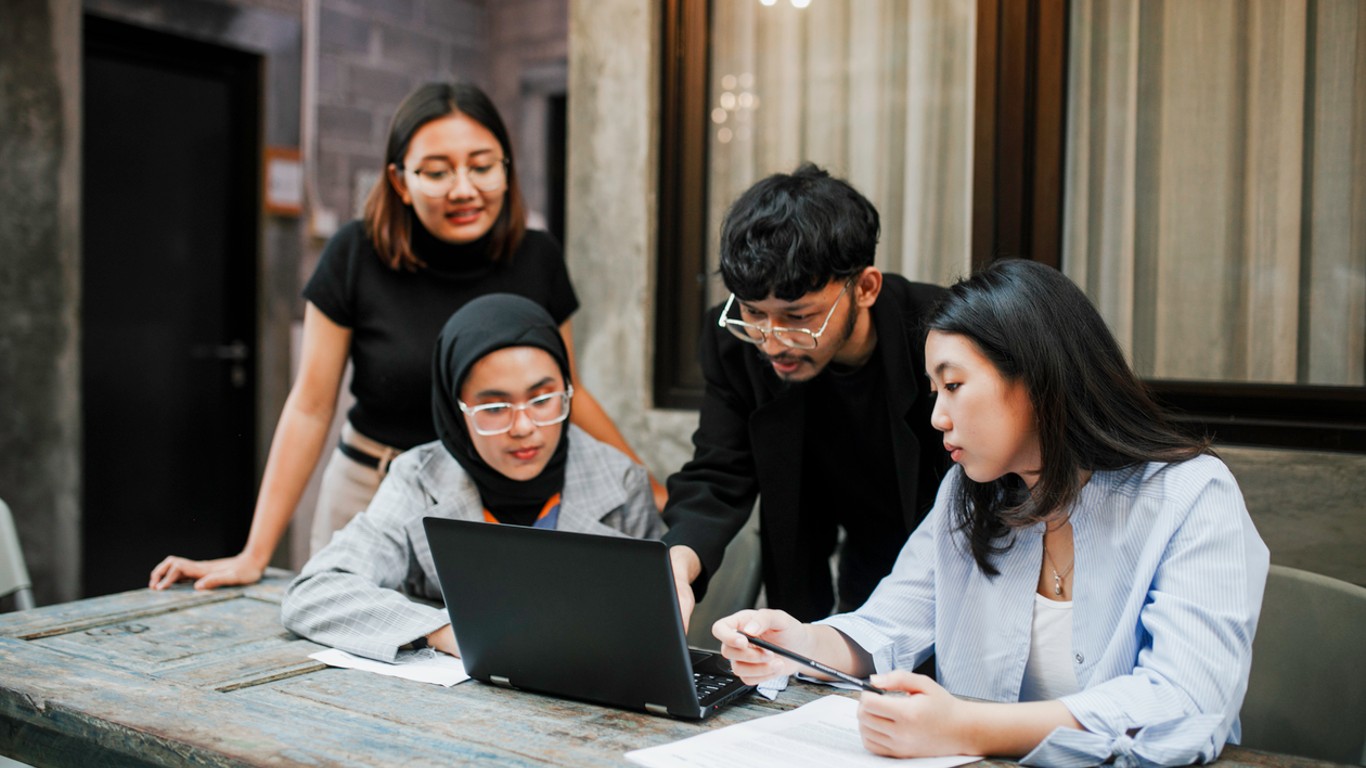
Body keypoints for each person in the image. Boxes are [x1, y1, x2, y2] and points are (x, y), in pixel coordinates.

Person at [713, 259, 1269, 765]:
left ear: (1037, 377)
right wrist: (795, 645)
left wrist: (968, 728)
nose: (937, 417)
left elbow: (1184, 702)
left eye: (954, 385)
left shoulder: (1191, 494)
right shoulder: (967, 493)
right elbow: (887, 624)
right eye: (934, 390)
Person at [151, 82, 660, 591]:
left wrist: (643, 484)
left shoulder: (537, 257)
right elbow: (310, 405)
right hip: (371, 488)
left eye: (482, 166)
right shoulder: (355, 253)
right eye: (436, 173)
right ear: (398, 180)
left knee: (472, 653)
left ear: (506, 168)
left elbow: (566, 388)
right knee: (348, 634)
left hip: (483, 498)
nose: (463, 189)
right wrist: (254, 554)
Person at [281, 294, 663, 661]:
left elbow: (653, 627)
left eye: (543, 399)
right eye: (495, 407)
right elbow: (315, 591)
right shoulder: (419, 479)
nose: (524, 427)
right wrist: (448, 632)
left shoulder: (621, 484)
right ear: (454, 408)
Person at [662, 163, 948, 625]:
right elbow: (718, 473)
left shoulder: (940, 335)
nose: (771, 341)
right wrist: (677, 563)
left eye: (798, 317)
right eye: (754, 312)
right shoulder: (733, 346)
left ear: (866, 287)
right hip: (823, 564)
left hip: (944, 560)